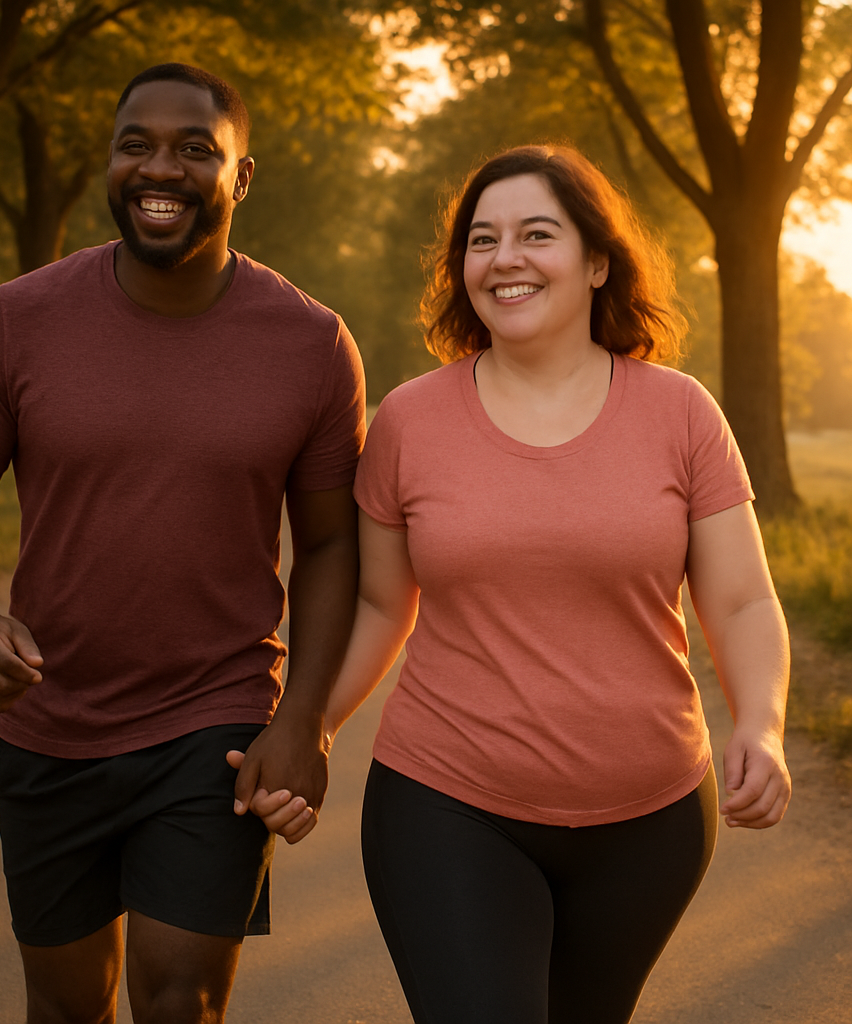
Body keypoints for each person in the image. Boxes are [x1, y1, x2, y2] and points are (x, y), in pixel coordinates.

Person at [250, 145, 792, 1023]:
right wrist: (307, 728)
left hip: (649, 821)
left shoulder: (682, 413)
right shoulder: (410, 420)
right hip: (447, 804)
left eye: (537, 235)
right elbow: (386, 604)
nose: (505, 258)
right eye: (482, 240)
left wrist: (762, 729)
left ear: (598, 262)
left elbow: (740, 600)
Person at [0, 63, 364, 1024]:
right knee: (66, 1009)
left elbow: (329, 549)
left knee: (178, 999)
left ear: (241, 178)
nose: (162, 167)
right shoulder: (17, 322)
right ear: (111, 163)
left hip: (214, 722)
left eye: (197, 148)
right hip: (49, 720)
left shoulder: (313, 345)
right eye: (136, 143)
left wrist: (303, 720)